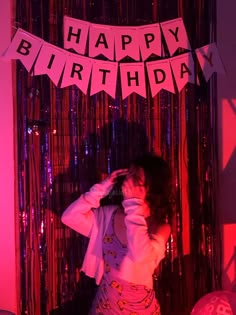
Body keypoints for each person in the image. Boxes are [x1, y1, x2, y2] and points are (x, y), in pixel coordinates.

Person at [61, 153, 172, 315]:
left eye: (136, 177)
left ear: (151, 188)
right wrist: (100, 189)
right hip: (105, 306)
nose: (128, 179)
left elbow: (140, 256)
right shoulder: (109, 215)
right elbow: (69, 217)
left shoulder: (159, 227)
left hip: (140, 309)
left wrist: (134, 205)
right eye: (130, 173)